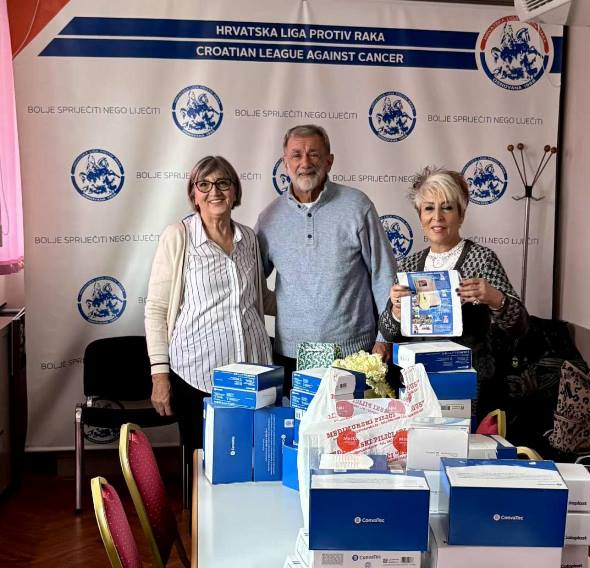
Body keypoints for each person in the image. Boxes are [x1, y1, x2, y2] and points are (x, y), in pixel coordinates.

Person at [145, 155, 273, 465]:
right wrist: (159, 375)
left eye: (222, 183)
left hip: (255, 372)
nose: (214, 191)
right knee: (200, 465)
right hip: (197, 375)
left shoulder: (249, 238)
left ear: (235, 191)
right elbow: (156, 309)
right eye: (204, 184)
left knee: (252, 463)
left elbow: (260, 298)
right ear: (194, 194)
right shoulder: (178, 236)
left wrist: (314, 300)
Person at [378, 166, 528, 416]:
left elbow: (520, 326)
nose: (437, 217)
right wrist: (395, 311)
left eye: (447, 208)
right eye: (429, 208)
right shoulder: (408, 266)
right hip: (417, 384)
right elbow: (389, 332)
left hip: (470, 387)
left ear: (461, 214)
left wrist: (495, 298)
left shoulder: (482, 259)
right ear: (420, 216)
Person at [255, 124, 396, 390]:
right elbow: (250, 280)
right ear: (285, 163)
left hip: (356, 353)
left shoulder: (358, 206)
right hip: (292, 355)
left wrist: (384, 337)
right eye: (296, 155)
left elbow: (383, 275)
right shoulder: (269, 218)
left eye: (314, 154)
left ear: (329, 161)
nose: (305, 163)